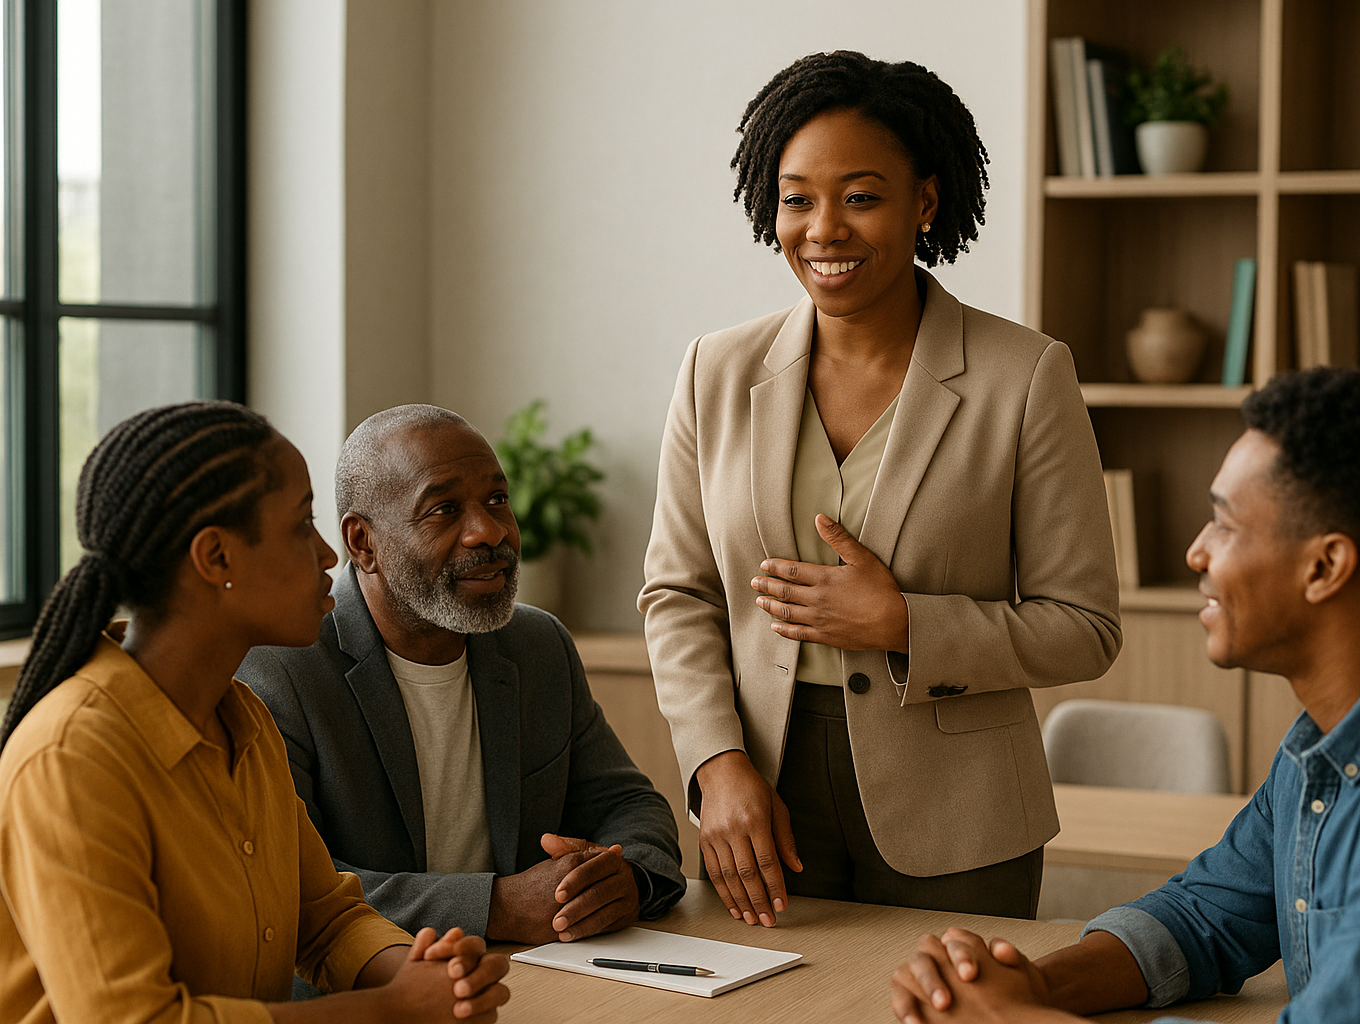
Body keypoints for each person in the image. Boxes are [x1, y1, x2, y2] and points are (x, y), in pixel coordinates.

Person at [639, 50, 1122, 929]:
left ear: (925, 203)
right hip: (765, 800)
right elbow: (678, 592)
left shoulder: (1026, 377)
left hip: (961, 816)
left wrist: (904, 625)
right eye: (797, 198)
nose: (824, 229)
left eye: (861, 196)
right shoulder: (715, 370)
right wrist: (717, 764)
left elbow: (1085, 628)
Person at [891, 368, 1360, 1024]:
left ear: (1324, 568)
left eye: (1224, 525)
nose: (1196, 552)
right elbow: (1201, 918)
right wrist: (1025, 987)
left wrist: (1010, 1021)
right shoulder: (1322, 739)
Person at [0, 401, 510, 1023]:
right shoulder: (72, 759)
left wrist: (428, 974)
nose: (330, 555)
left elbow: (325, 917)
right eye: (302, 526)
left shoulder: (242, 718)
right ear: (216, 559)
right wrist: (388, 1010)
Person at [239, 404, 684, 966]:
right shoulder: (283, 668)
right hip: (369, 995)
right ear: (363, 543)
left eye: (497, 499)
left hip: (538, 974)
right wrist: (494, 906)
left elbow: (627, 802)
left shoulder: (537, 644)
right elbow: (291, 887)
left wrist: (625, 878)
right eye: (444, 510)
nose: (489, 531)